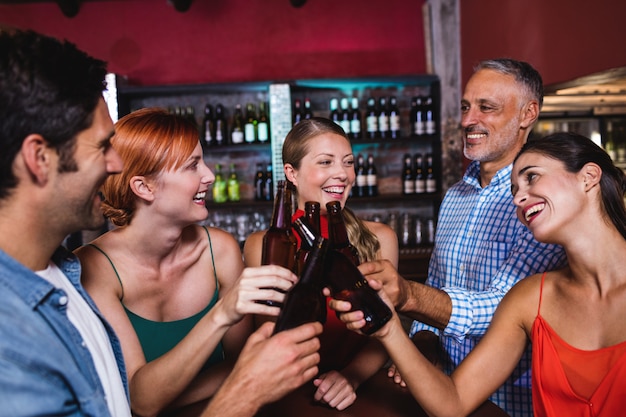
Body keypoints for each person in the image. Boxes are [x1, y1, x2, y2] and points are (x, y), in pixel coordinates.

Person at [0, 28, 322, 417]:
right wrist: (242, 387)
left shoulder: (63, 273)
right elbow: (143, 399)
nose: (114, 165)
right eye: (103, 146)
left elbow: (128, 401)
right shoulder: (27, 321)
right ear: (39, 158)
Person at [333, 132, 626, 416]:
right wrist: (389, 328)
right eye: (514, 190)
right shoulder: (530, 298)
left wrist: (408, 295)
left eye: (532, 177)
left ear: (588, 177)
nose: (518, 199)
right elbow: (454, 402)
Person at [356, 58, 567, 416]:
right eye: (467, 107)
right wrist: (425, 343)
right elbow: (438, 285)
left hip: (507, 403)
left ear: (528, 113)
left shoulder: (542, 201)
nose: (468, 120)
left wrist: (408, 295)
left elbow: (506, 308)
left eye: (487, 108)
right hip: (439, 394)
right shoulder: (456, 195)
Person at [74, 107, 315, 416]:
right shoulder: (93, 269)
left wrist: (166, 391)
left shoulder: (220, 250)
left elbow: (246, 366)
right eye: (192, 166)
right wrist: (221, 314)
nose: (210, 176)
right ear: (144, 187)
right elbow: (142, 400)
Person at [243, 117, 399, 411]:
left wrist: (351, 377)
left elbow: (387, 333)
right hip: (286, 394)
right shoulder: (264, 245)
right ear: (291, 172)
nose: (342, 174)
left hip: (359, 391)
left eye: (348, 162)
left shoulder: (380, 238)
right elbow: (267, 339)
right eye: (326, 162)